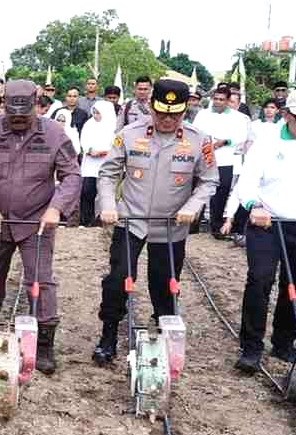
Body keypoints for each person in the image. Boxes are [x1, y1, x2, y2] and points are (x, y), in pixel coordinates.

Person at [91, 80, 219, 365]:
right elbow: (108, 174)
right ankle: (108, 333)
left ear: (186, 111)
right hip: (131, 220)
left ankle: (162, 332)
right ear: (150, 106)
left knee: (165, 283)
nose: (167, 119)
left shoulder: (200, 140)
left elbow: (210, 181)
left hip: (172, 225)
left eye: (175, 114)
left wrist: (192, 207)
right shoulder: (129, 134)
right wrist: (109, 205)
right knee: (118, 279)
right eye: (161, 112)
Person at [0, 79, 80, 374]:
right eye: (11, 115)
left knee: (40, 280)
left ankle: (44, 344)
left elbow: (72, 176)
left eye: (24, 115)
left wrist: (57, 208)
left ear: (36, 105)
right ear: (3, 106)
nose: (17, 120)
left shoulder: (54, 133)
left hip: (36, 222)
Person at [231, 85, 296, 375]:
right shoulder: (267, 144)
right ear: (287, 114)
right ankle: (251, 346)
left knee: (295, 283)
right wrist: (254, 205)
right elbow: (247, 182)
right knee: (259, 280)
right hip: (267, 224)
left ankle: (283, 341)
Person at [191, 84, 246, 239]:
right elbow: (195, 132)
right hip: (204, 157)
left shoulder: (237, 117)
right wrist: (207, 144)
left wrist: (225, 142)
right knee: (198, 188)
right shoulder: (203, 114)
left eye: (222, 99)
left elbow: (240, 137)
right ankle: (193, 224)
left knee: (221, 193)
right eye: (215, 99)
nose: (217, 102)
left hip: (225, 159)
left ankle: (216, 227)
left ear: (228, 101)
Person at [78, 101, 116, 226]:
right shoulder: (89, 124)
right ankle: (86, 220)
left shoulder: (113, 125)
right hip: (89, 165)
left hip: (106, 165)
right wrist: (89, 150)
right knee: (87, 191)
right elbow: (83, 141)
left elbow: (116, 147)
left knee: (104, 194)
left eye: (98, 113)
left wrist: (103, 152)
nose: (95, 115)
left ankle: (100, 220)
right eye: (94, 112)